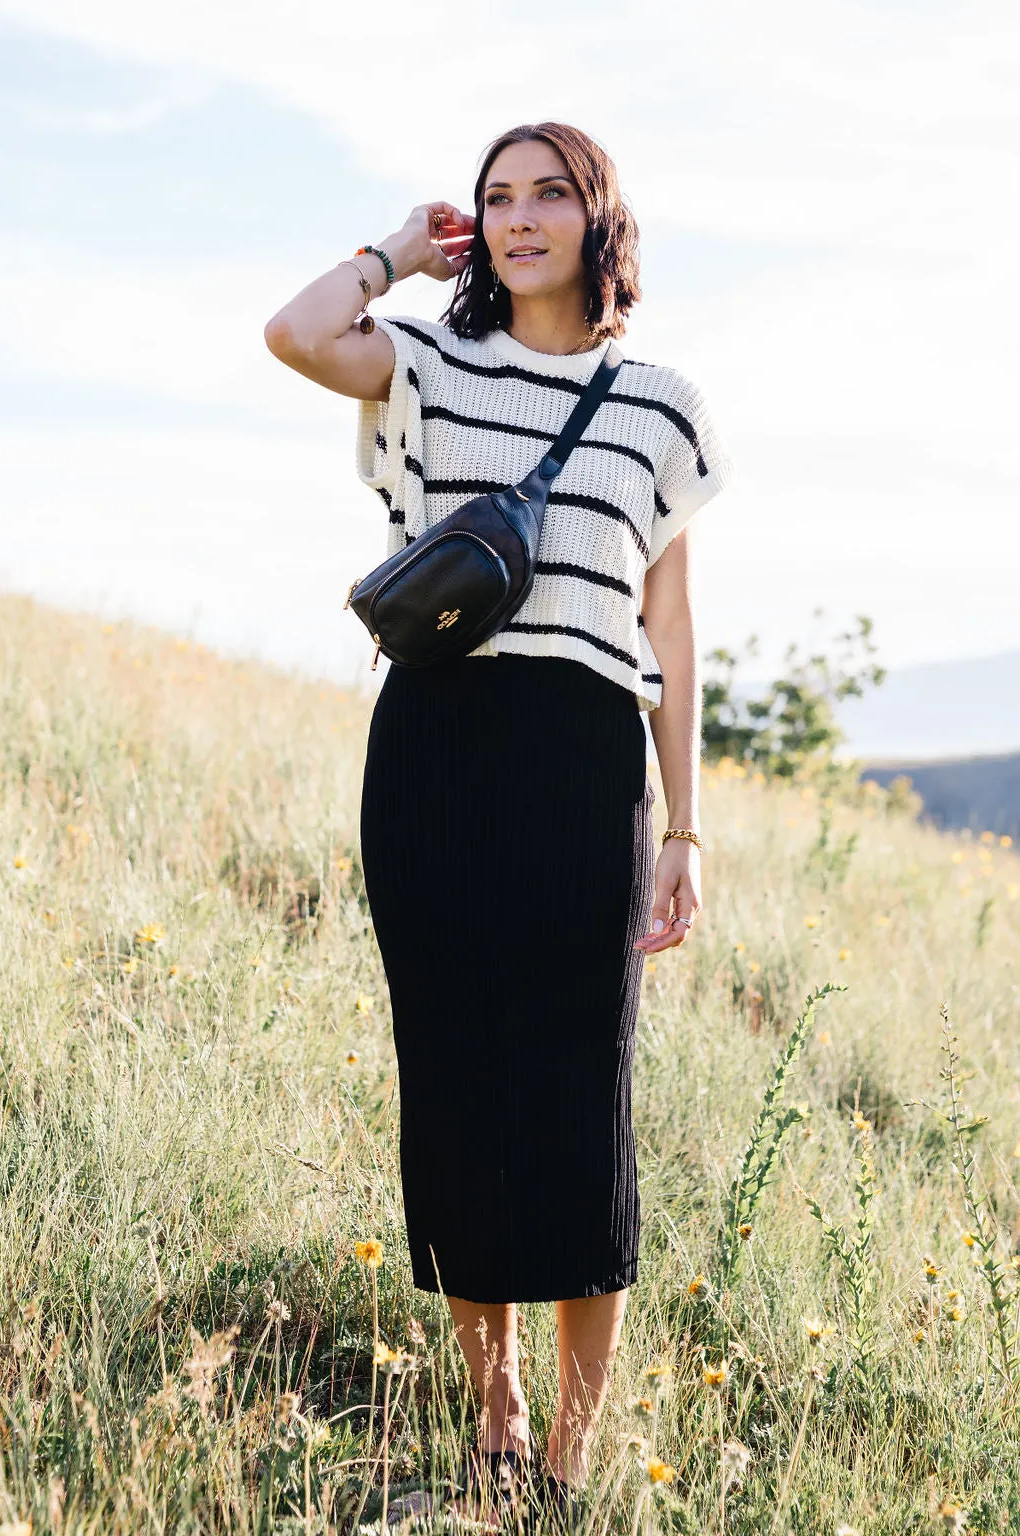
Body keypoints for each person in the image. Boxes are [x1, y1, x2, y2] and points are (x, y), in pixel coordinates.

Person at [264, 120, 734, 1528]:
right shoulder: (433, 360)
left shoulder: (659, 402)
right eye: (495, 200)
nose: (519, 218)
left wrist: (685, 832)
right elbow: (295, 331)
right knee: (459, 1092)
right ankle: (496, 1418)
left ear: (600, 216)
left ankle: (574, 1467)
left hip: (588, 760)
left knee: (584, 1108)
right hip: (437, 751)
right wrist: (398, 253)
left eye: (547, 195)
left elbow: (671, 623)